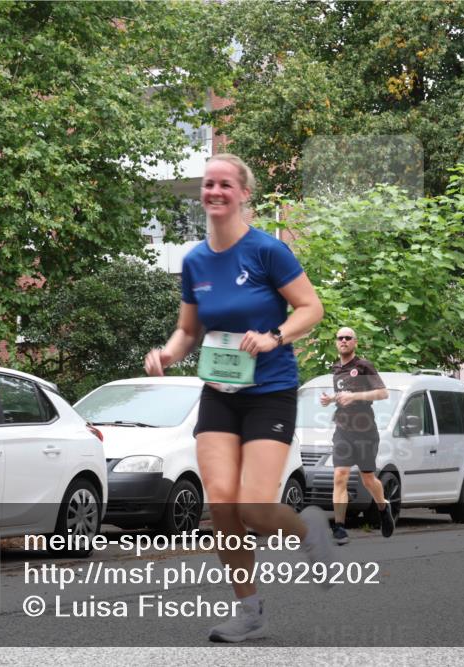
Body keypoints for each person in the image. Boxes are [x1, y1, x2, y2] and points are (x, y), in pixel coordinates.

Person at [144, 153, 335, 643]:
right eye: (209, 184)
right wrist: (166, 355)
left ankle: (308, 528)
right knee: (223, 506)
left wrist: (274, 334)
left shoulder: (267, 251)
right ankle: (249, 611)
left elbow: (311, 307)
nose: (215, 191)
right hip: (219, 393)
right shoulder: (195, 262)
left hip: (269, 392)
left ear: (243, 194)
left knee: (253, 506)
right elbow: (188, 331)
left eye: (225, 184)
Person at [320, 327, 392, 544]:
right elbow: (344, 395)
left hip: (365, 430)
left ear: (355, 342)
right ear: (336, 343)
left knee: (368, 479)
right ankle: (340, 527)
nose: (343, 341)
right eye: (340, 338)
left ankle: (383, 506)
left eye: (347, 338)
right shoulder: (336, 369)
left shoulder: (363, 366)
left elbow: (383, 393)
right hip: (342, 429)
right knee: (339, 475)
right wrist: (331, 399)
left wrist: (355, 396)